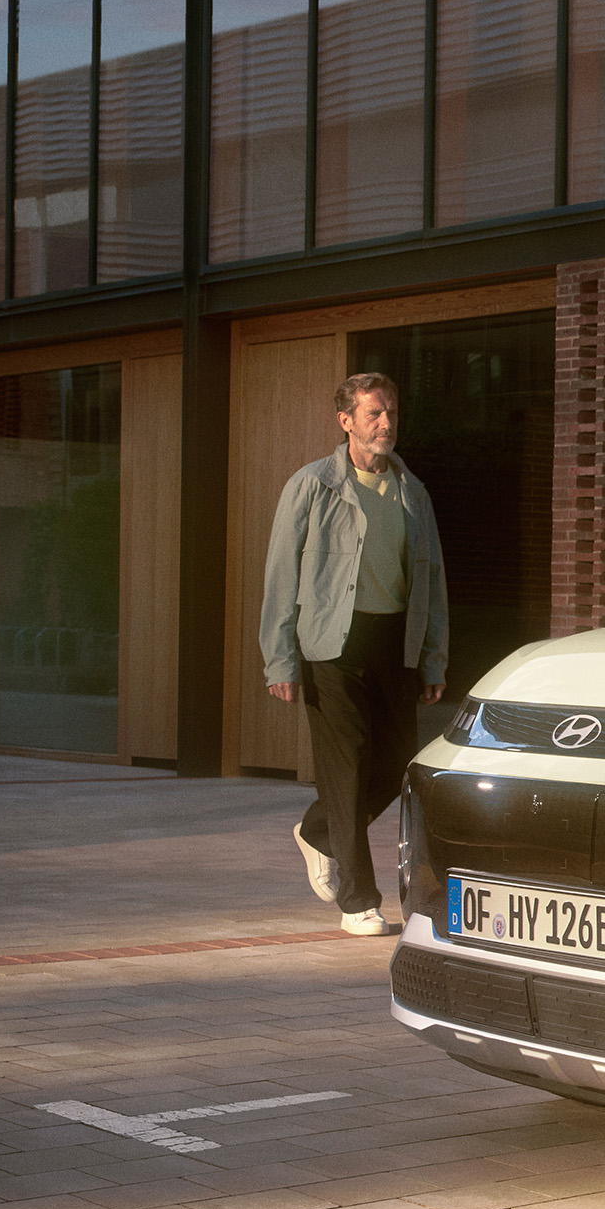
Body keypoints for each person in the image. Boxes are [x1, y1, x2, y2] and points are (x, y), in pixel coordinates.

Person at [260, 373, 448, 936]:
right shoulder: (312, 486)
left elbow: (432, 580)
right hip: (330, 643)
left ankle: (318, 832)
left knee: (394, 764)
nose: (385, 423)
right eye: (373, 414)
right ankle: (357, 899)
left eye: (390, 411)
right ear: (346, 421)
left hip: (393, 642)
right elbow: (280, 577)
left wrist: (433, 658)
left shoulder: (413, 492)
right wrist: (280, 660)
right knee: (347, 767)